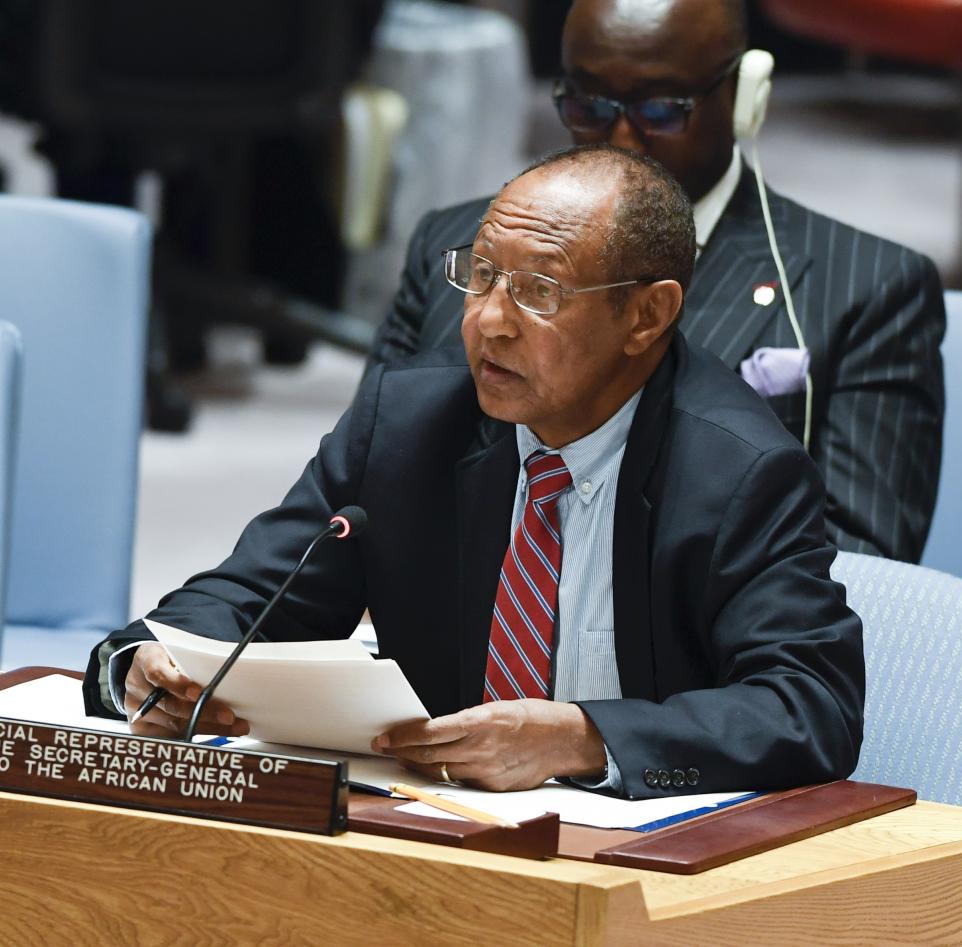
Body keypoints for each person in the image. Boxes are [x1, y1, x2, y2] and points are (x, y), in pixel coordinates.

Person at [82, 144, 864, 799]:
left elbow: (810, 706)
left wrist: (583, 737)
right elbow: (247, 597)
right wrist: (148, 668)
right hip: (427, 831)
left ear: (647, 315)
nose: (490, 320)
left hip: (640, 868)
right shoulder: (408, 422)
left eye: (539, 291)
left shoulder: (739, 472)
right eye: (481, 274)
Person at [367, 0, 945, 564]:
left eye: (661, 110)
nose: (621, 138)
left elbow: (862, 563)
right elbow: (368, 477)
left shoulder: (867, 289)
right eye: (589, 106)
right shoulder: (456, 243)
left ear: (744, 98)